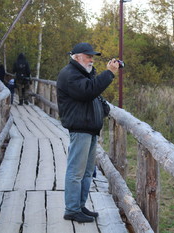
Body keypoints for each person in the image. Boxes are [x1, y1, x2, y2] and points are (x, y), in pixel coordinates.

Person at [57, 42, 119, 223]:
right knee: (76, 171)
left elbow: (91, 91)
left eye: (92, 56)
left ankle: (79, 206)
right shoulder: (70, 75)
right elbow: (88, 91)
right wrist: (109, 73)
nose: (92, 59)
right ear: (76, 57)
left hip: (89, 128)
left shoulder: (81, 73)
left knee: (86, 172)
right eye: (88, 56)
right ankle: (72, 209)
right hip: (80, 128)